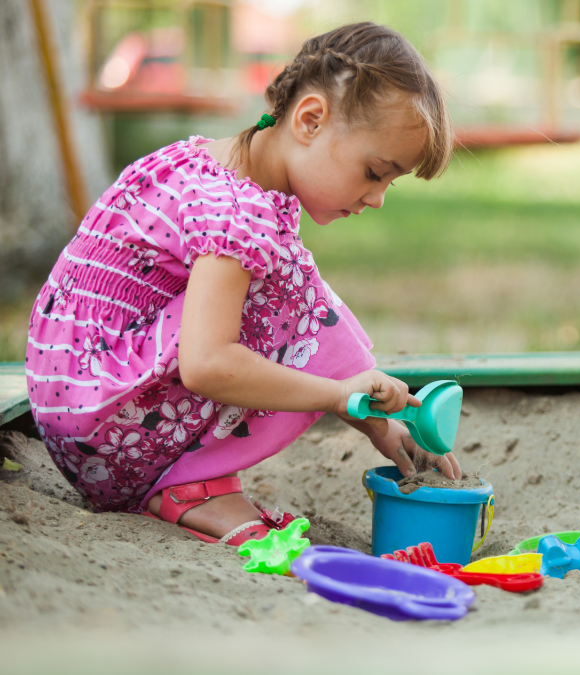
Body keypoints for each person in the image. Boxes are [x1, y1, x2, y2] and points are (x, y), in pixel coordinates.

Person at [25, 22, 461, 547]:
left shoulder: (211, 165)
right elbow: (208, 364)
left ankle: (190, 476)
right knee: (279, 287)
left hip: (77, 401)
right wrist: (340, 395)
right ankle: (190, 487)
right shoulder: (237, 214)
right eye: (374, 172)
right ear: (311, 120)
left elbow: (300, 300)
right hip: (107, 434)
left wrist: (377, 420)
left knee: (286, 280)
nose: (378, 197)